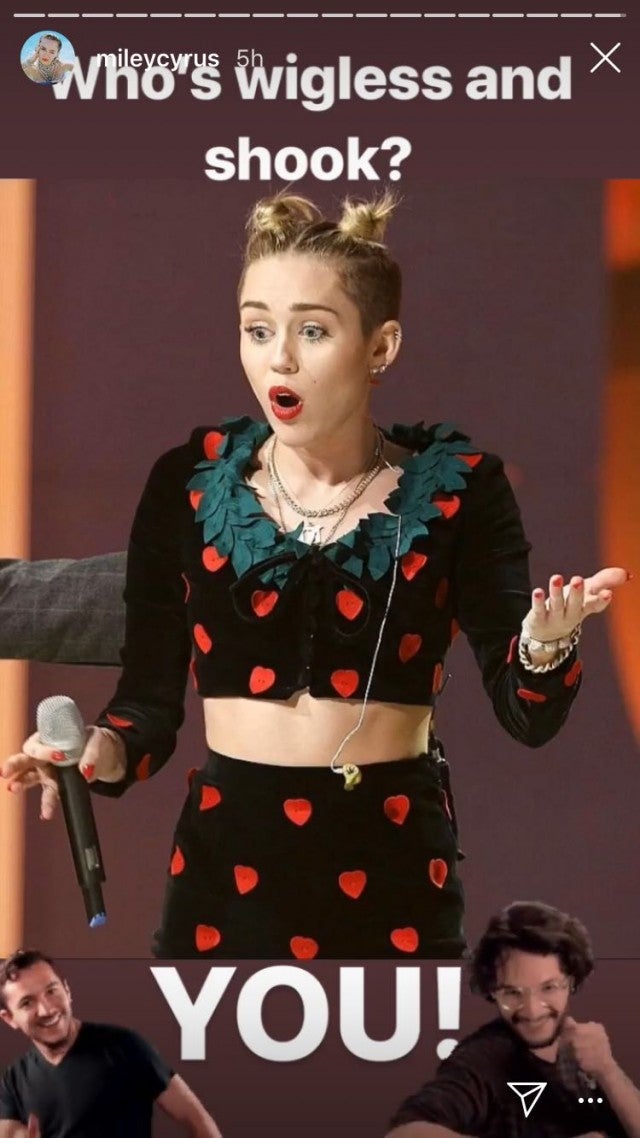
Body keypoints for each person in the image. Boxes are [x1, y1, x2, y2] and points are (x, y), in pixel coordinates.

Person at [0, 194, 629, 960]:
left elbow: (528, 717)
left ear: (380, 345)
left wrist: (544, 646)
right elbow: (147, 706)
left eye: (313, 330)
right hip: (225, 869)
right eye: (257, 329)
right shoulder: (188, 483)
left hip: (394, 860)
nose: (280, 360)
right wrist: (99, 751)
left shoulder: (460, 490)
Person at [386, 901, 639, 1138]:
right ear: (492, 990)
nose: (532, 1011)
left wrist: (608, 1071)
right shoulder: (482, 1059)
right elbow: (403, 1133)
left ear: (571, 981)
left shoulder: (588, 1048)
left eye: (548, 988)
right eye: (512, 993)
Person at [0, 948, 222, 1137]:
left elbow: (197, 1120)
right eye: (27, 1003)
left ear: (67, 991)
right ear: (9, 1018)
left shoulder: (124, 1047)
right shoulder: (13, 1081)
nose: (46, 1009)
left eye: (51, 991)